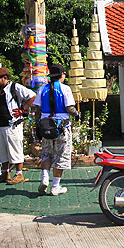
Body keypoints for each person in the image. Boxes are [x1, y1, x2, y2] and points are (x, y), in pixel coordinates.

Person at [34, 62, 80, 195]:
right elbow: (69, 108)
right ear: (61, 75)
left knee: (46, 154)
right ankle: (55, 186)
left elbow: (37, 109)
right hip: (62, 127)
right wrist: (77, 114)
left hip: (46, 126)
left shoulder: (42, 89)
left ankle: (45, 178)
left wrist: (38, 125)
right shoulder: (65, 89)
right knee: (61, 156)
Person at [0, 66, 35, 184]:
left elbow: (32, 95)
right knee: (2, 151)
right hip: (1, 124)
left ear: (5, 78)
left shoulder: (14, 87)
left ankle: (19, 174)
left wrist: (23, 109)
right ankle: (5, 173)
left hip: (13, 125)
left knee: (15, 149)